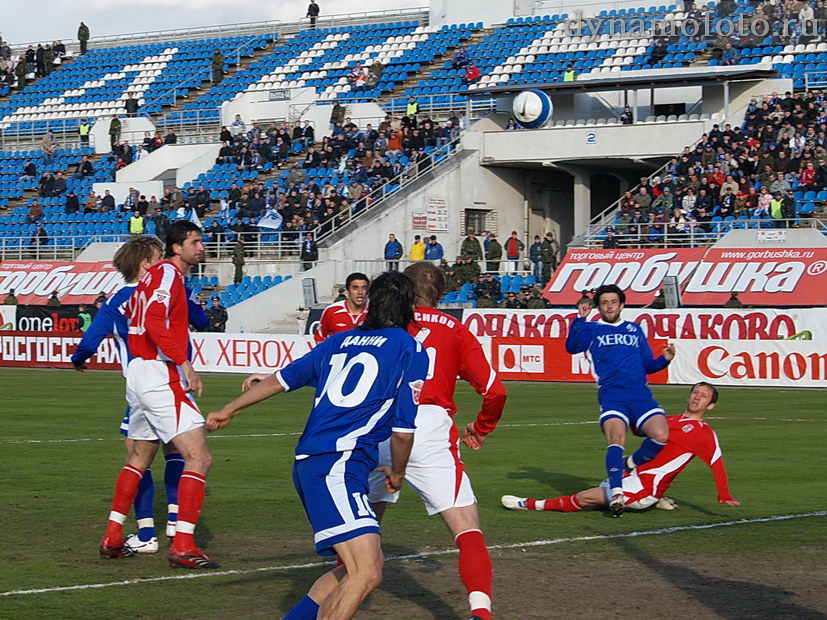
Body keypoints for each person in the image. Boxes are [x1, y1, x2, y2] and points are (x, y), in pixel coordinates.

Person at [205, 271, 429, 619]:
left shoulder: (338, 341)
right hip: (338, 464)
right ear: (409, 306)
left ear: (370, 301)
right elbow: (402, 429)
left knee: (359, 566)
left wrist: (228, 409)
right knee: (366, 571)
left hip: (316, 462)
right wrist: (398, 474)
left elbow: (281, 380)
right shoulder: (409, 348)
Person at [369, 262, 506, 620]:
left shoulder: (385, 322)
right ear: (442, 294)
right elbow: (495, 391)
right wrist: (481, 427)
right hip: (430, 425)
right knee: (466, 526)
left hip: (383, 422)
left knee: (365, 522)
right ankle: (480, 611)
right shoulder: (458, 331)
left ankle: (333, 595)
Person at [72, 237, 207, 554]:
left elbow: (92, 338)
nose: (164, 263)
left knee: (139, 459)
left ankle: (145, 531)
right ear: (147, 263)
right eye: (159, 257)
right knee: (184, 453)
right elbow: (200, 319)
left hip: (136, 384)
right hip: (167, 377)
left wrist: (79, 358)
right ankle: (176, 525)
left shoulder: (117, 299)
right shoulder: (167, 285)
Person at [99, 221, 218, 569]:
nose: (201, 247)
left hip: (138, 374)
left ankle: (112, 536)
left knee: (139, 458)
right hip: (158, 372)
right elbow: (154, 321)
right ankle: (182, 544)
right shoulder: (166, 274)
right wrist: (185, 364)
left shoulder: (151, 279)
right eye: (195, 242)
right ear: (176, 248)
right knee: (200, 457)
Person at [502, 382, 740, 513]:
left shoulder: (704, 433)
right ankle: (655, 500)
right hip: (635, 473)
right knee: (615, 468)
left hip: (645, 486)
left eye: (704, 396)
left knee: (587, 497)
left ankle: (529, 504)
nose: (697, 397)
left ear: (710, 406)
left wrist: (724, 495)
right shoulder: (671, 420)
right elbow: (640, 429)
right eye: (695, 392)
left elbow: (716, 462)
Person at [565, 284, 675, 517]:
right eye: (604, 303)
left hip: (640, 394)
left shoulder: (634, 330)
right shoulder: (592, 328)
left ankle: (629, 465)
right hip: (613, 393)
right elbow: (572, 347)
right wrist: (579, 319)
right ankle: (617, 492)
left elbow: (648, 365)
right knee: (616, 438)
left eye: (613, 302)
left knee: (662, 435)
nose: (609, 306)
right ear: (599, 307)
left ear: (622, 305)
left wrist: (664, 360)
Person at [313, 272, 369, 342]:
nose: (360, 292)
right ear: (347, 291)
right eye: (355, 288)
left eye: (364, 288)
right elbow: (320, 337)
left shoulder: (373, 311)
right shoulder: (332, 310)